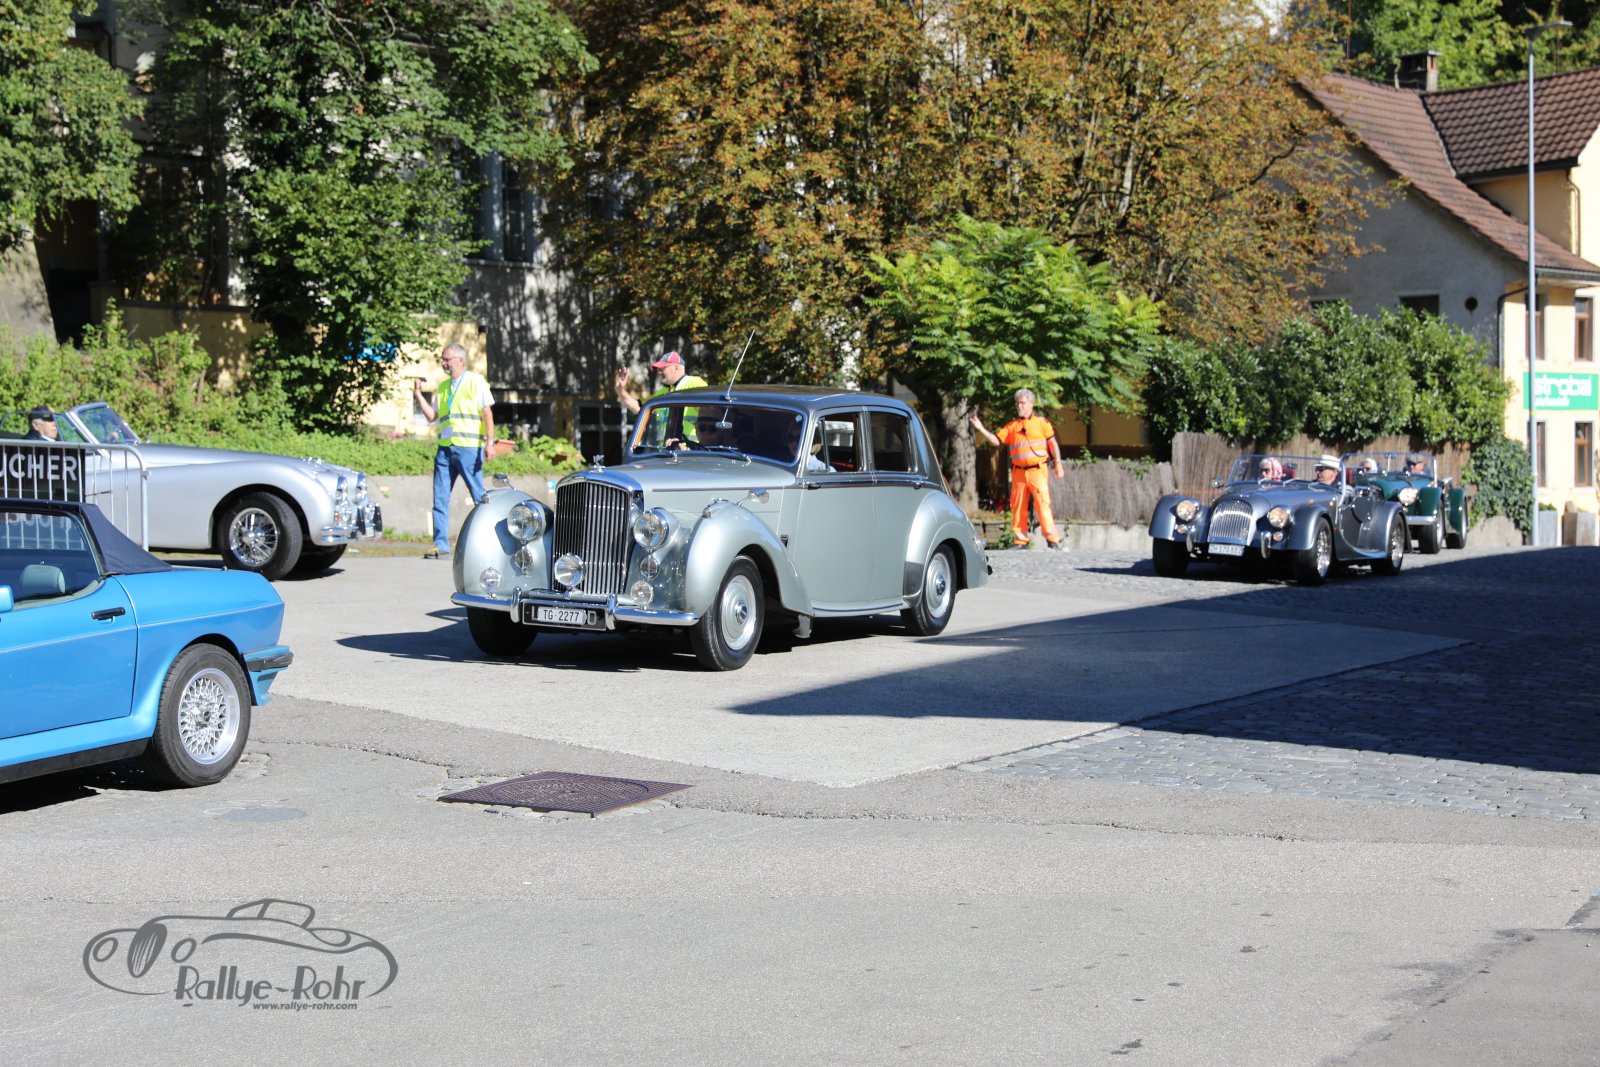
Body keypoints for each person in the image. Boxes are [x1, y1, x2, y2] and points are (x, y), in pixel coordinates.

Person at [413, 343, 494, 559]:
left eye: (447, 359)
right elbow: (432, 417)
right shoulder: (443, 387)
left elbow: (487, 413)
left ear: (460, 360)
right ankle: (441, 545)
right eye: (442, 359)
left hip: (469, 449)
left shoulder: (475, 382)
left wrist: (490, 443)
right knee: (440, 498)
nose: (443, 363)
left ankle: (488, 541)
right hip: (445, 450)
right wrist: (418, 394)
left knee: (479, 497)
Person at [970, 388, 1066, 550]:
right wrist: (981, 429)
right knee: (1018, 505)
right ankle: (1021, 541)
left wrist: (1058, 463)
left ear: (1031, 404)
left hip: (1038, 470)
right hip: (1019, 472)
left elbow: (1052, 443)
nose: (1019, 406)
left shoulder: (1042, 423)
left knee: (1043, 504)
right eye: (1017, 403)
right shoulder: (1012, 426)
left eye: (1022, 403)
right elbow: (996, 440)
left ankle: (1052, 540)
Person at [614, 351, 708, 415]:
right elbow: (638, 408)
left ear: (676, 368)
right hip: (666, 440)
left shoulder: (695, 383)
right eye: (658, 369)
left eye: (662, 368)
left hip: (689, 440)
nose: (659, 372)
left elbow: (710, 409)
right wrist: (620, 390)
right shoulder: (663, 392)